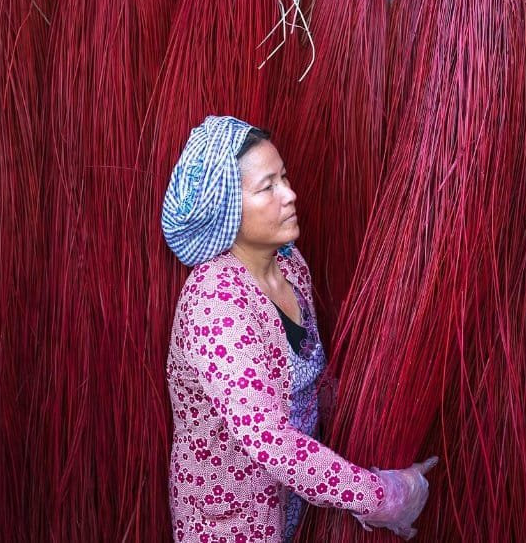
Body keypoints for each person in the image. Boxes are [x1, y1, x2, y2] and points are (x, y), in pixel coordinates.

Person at [163, 116, 436, 542]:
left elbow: (310, 376)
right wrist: (383, 496)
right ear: (225, 209)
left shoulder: (290, 266)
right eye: (267, 187)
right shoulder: (215, 306)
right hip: (235, 528)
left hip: (297, 510)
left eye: (284, 177)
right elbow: (271, 441)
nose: (290, 195)